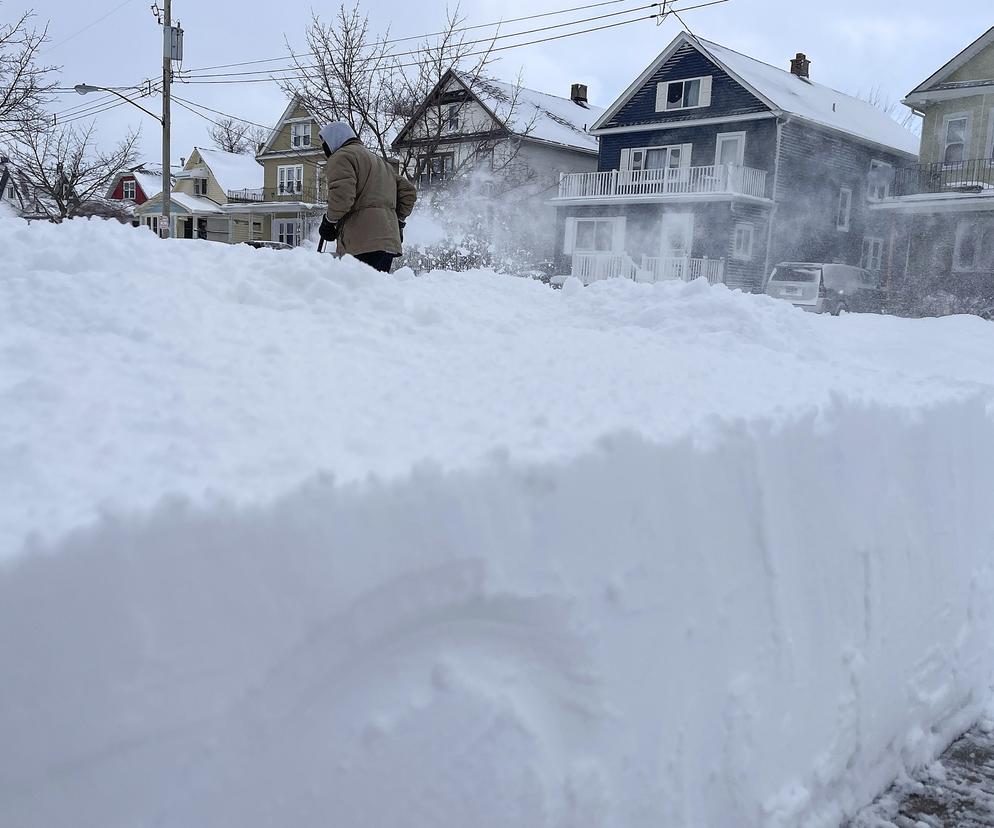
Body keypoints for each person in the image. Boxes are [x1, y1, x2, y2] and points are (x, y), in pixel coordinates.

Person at [317, 122, 417, 273]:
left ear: (334, 139)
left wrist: (329, 221)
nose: (325, 148)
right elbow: (408, 192)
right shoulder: (380, 162)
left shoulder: (341, 157)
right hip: (389, 242)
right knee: (374, 293)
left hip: (362, 241)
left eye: (325, 143)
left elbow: (343, 197)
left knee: (357, 293)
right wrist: (399, 222)